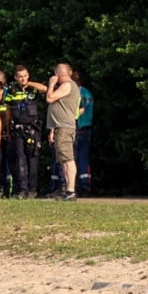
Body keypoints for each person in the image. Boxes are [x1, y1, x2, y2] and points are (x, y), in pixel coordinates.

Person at [45, 62, 82, 201]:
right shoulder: (67, 86)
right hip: (61, 127)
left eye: (56, 73)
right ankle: (67, 190)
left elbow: (49, 98)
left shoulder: (67, 85)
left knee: (68, 159)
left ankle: (71, 190)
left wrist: (51, 85)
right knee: (64, 160)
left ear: (60, 73)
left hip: (65, 127)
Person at [7, 67, 44, 198]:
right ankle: (23, 189)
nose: (23, 79)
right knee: (20, 159)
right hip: (18, 129)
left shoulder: (33, 89)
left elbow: (44, 89)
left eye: (25, 76)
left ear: (28, 76)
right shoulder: (12, 91)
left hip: (33, 129)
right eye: (20, 76)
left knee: (33, 158)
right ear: (15, 78)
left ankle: (33, 189)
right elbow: (8, 111)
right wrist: (8, 128)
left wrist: (30, 84)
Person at [74, 70, 94, 195]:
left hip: (78, 127)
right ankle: (85, 184)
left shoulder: (77, 93)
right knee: (83, 157)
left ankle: (78, 186)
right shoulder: (88, 93)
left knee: (73, 158)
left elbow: (79, 111)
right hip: (87, 128)